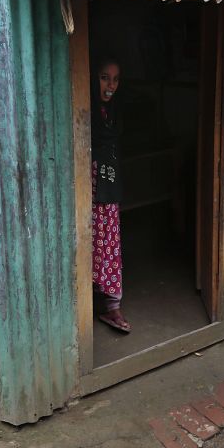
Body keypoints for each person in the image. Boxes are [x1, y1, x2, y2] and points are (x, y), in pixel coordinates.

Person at [91, 57, 131, 333]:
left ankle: (111, 306)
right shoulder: (88, 110)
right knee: (92, 243)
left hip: (110, 184)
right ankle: (95, 303)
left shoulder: (115, 112)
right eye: (105, 77)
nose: (111, 85)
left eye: (115, 79)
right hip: (90, 187)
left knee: (109, 242)